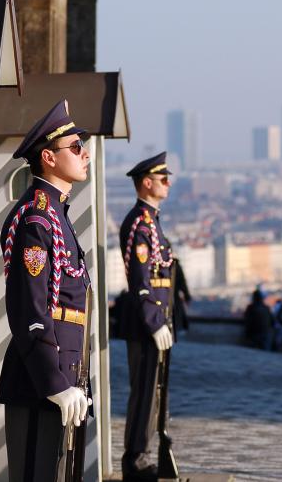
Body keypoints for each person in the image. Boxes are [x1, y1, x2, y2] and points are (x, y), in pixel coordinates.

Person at [0, 99, 92, 481]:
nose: (84, 154)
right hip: (42, 378)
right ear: (48, 158)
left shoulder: (56, 215)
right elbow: (31, 309)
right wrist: (54, 382)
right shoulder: (37, 219)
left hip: (65, 370)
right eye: (74, 147)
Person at [118, 152, 175, 481]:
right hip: (144, 323)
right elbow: (140, 280)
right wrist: (154, 322)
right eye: (163, 178)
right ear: (147, 183)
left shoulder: (151, 221)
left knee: (154, 392)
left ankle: (143, 452)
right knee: (144, 391)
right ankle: (136, 459)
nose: (168, 183)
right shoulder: (140, 223)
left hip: (155, 320)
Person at [171, 256, 192, 339]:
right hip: (173, 298)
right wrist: (187, 297)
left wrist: (187, 296)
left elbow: (182, 282)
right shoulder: (175, 265)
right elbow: (182, 282)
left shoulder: (174, 265)